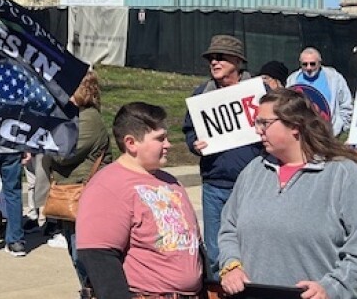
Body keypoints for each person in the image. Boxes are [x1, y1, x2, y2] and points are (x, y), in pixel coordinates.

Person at [218, 88, 357, 299]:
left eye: (264, 123)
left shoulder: (344, 175)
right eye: (257, 122)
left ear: (295, 126)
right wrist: (231, 265)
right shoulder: (253, 170)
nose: (258, 130)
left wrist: (332, 288)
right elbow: (229, 228)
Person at [77, 102, 202, 299]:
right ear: (131, 143)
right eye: (160, 139)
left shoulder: (170, 181)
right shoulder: (108, 186)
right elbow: (98, 256)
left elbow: (194, 245)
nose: (168, 144)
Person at [182, 34, 259, 278]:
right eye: (211, 58)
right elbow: (189, 130)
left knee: (250, 245)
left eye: (221, 57)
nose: (214, 62)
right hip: (214, 184)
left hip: (252, 184)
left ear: (237, 61)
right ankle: (218, 288)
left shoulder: (259, 92)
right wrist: (194, 144)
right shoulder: (201, 95)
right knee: (215, 251)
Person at [44, 69, 112, 298]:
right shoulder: (74, 115)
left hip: (85, 194)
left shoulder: (89, 119)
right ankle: (89, 290)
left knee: (82, 254)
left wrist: (42, 141)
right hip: (70, 192)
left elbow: (64, 154)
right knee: (76, 252)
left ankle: (94, 292)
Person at [286, 47, 353, 136]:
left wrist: (340, 127)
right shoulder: (292, 80)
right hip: (301, 134)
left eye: (312, 64)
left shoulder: (334, 78)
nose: (309, 68)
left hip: (329, 134)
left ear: (320, 63)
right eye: (305, 64)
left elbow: (346, 104)